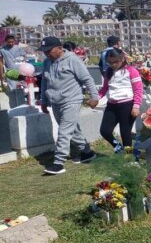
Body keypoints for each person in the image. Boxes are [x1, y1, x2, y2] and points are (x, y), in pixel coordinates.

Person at [38, 37, 99, 175]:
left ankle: (58, 162)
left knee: (64, 131)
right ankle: (87, 152)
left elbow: (87, 78)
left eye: (48, 50)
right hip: (55, 101)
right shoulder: (47, 62)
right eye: (44, 51)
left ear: (59, 48)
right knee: (71, 129)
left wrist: (94, 97)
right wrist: (44, 101)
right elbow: (44, 83)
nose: (46, 53)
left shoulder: (72, 60)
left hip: (71, 100)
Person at [98, 48, 143, 153]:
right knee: (105, 131)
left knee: (125, 133)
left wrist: (136, 106)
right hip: (112, 105)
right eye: (110, 62)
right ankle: (118, 148)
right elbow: (105, 88)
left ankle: (129, 158)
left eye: (115, 62)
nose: (113, 65)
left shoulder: (131, 71)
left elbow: (138, 90)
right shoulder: (108, 72)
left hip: (127, 105)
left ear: (122, 59)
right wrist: (96, 98)